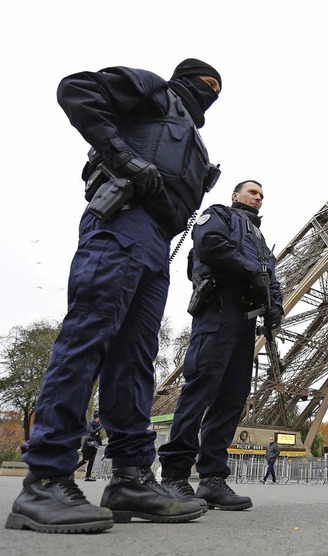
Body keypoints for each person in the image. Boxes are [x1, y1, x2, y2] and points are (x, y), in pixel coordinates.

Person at [6, 59, 223, 534]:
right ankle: (45, 478)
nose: (209, 92)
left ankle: (130, 477)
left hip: (157, 244)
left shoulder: (196, 143)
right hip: (122, 222)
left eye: (216, 89)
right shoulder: (154, 91)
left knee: (136, 361)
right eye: (203, 84)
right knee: (88, 337)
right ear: (183, 79)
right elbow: (77, 89)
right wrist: (123, 157)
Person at [158, 180, 283, 510]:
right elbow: (210, 245)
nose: (258, 198)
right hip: (218, 311)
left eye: (262, 194)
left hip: (245, 319)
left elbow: (272, 279)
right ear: (235, 195)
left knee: (232, 398)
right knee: (200, 388)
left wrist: (276, 308)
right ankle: (174, 475)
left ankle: (212, 478)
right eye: (253, 192)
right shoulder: (218, 215)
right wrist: (252, 271)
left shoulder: (260, 241)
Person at [75, 411, 103, 481]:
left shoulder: (98, 424)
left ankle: (88, 476)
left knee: (92, 460)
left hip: (94, 444)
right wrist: (100, 427)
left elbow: (97, 434)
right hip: (88, 444)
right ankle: (69, 471)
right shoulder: (91, 423)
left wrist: (98, 434)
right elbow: (92, 432)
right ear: (98, 417)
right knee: (85, 460)